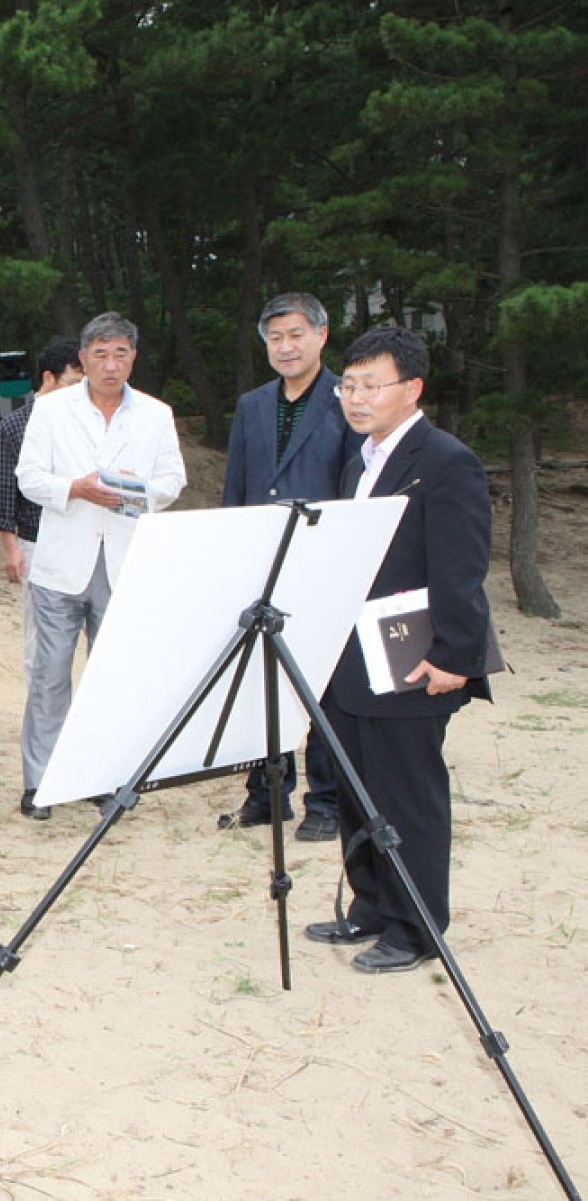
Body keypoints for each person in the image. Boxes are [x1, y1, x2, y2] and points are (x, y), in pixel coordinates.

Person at [308, 326, 493, 974]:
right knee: (359, 786)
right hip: (353, 654)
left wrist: (455, 656)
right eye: (348, 385)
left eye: (370, 384)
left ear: (411, 388)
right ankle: (372, 905)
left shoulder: (445, 459)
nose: (355, 397)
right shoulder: (359, 458)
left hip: (415, 654)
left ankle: (417, 927)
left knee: (407, 792)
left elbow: (462, 567)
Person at [15, 313, 187, 815]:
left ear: (134, 357)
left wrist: (135, 495)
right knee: (49, 673)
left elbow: (172, 479)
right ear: (83, 358)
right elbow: (29, 477)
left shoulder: (156, 414)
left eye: (121, 354)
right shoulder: (50, 411)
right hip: (60, 563)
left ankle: (105, 776)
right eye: (100, 354)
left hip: (123, 560)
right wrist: (75, 487)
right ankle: (40, 782)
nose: (110, 365)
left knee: (112, 676)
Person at [218, 293, 357, 842]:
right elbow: (238, 485)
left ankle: (325, 800)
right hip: (261, 559)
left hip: (321, 559)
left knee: (321, 684)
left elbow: (352, 484)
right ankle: (268, 794)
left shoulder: (347, 398)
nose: (286, 346)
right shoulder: (253, 404)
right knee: (262, 680)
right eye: (275, 337)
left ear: (321, 336)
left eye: (296, 334)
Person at [0, 338, 82, 819]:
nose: (80, 388)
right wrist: (10, 548)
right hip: (37, 542)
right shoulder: (18, 423)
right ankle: (46, 743)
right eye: (73, 378)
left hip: (91, 546)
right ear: (50, 377)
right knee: (41, 651)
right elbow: (2, 486)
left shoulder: (90, 421)